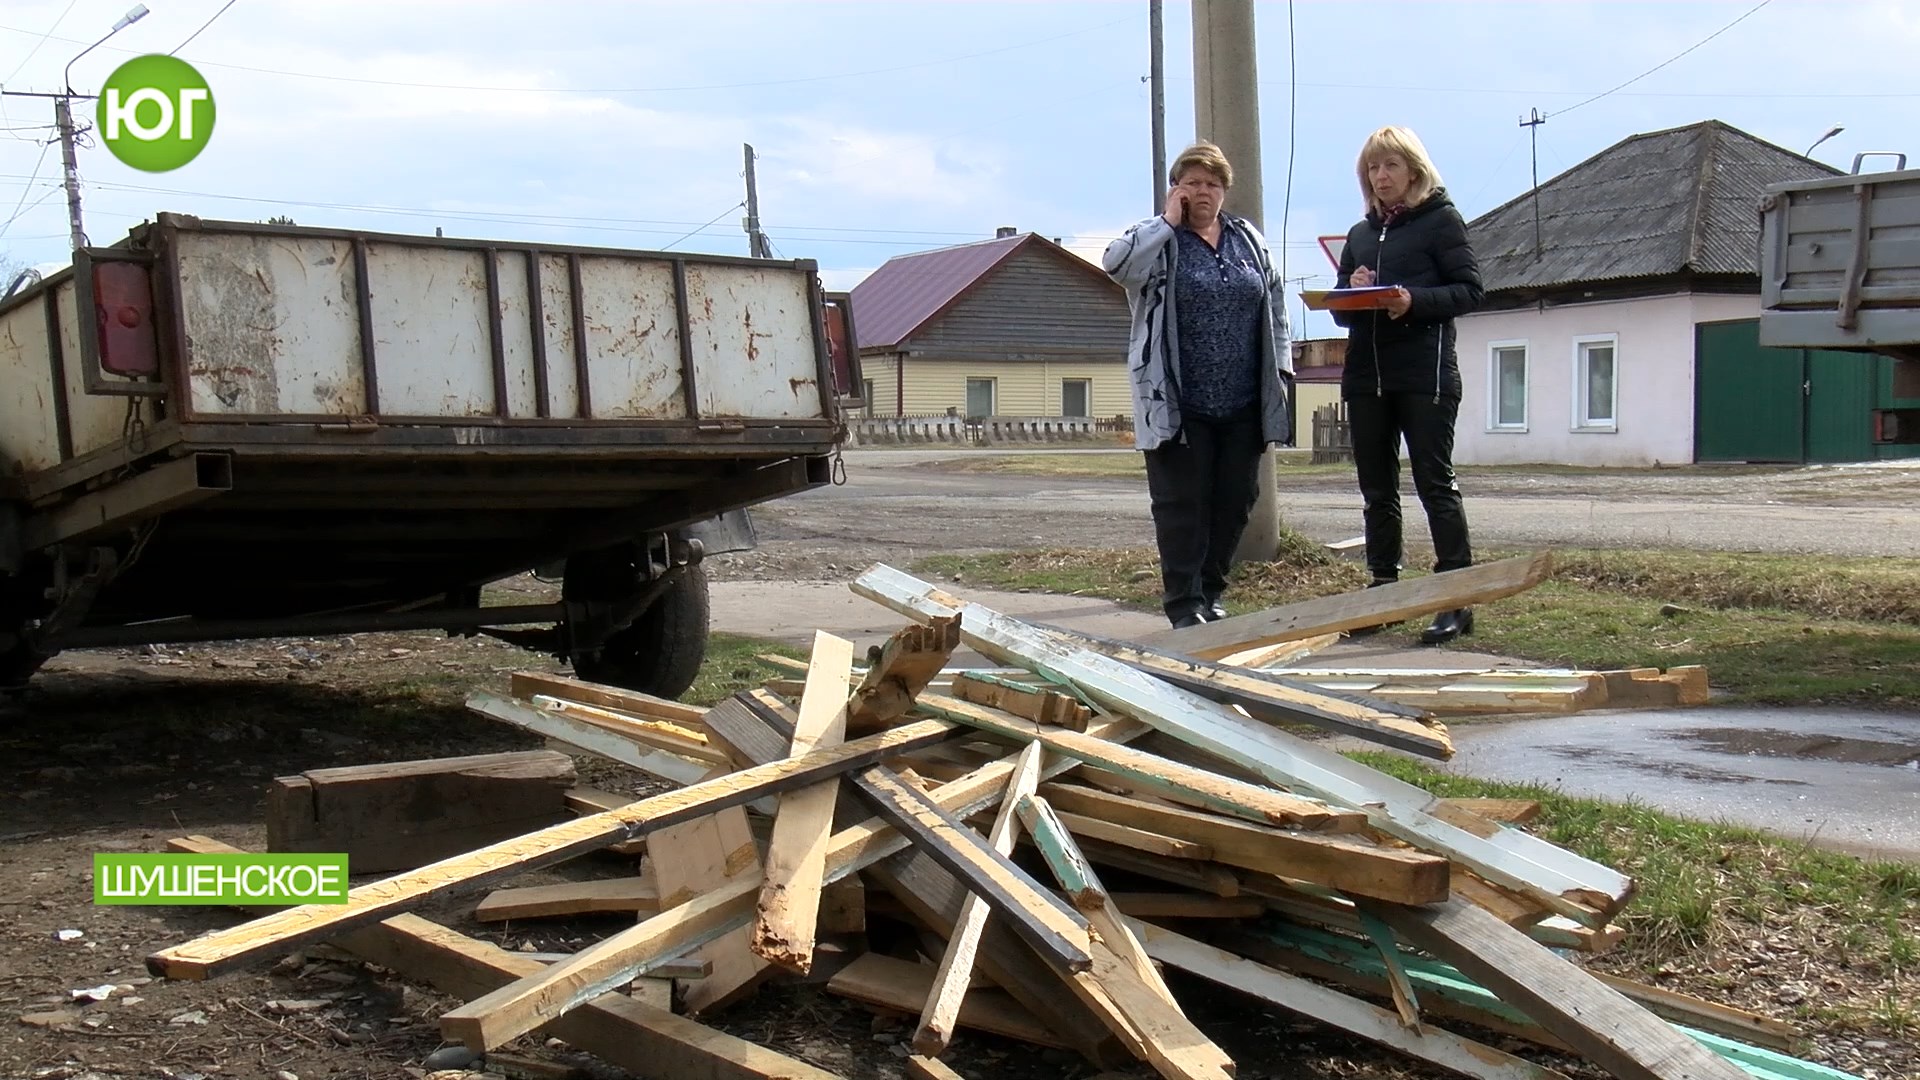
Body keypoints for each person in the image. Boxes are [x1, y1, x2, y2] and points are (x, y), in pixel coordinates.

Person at [1103, 141, 1294, 629]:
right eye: (1191, 182)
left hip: (1243, 400)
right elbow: (1116, 265)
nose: (1202, 192)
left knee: (1235, 501)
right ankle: (1183, 603)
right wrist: (1166, 221)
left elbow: (1274, 303)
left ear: (1225, 190)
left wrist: (1283, 370)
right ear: (1175, 189)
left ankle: (1210, 591)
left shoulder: (1247, 239)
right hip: (1178, 402)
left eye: (1211, 183)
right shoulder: (1156, 240)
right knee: (1181, 505)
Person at [1332, 125, 1485, 644]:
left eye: (1390, 166)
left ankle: (1454, 600)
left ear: (1414, 171)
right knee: (1377, 491)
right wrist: (1349, 290)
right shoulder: (1358, 234)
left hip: (1425, 375)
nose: (1380, 176)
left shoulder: (1441, 221)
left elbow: (1469, 291)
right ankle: (1384, 595)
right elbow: (1340, 315)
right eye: (1373, 168)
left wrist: (1411, 301)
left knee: (1434, 484)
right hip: (1366, 378)